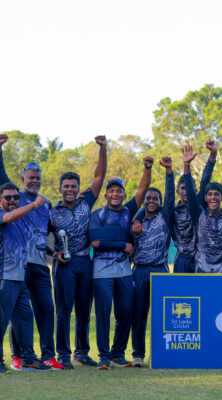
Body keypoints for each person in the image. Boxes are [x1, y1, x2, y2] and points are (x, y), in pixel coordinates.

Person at [0, 134, 62, 370]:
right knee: (14, 314)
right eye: (31, 177)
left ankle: (47, 355)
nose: (34, 181)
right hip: (16, 266)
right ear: (22, 179)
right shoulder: (16, 198)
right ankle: (17, 356)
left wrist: (54, 252)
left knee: (45, 309)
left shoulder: (46, 203)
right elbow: (1, 176)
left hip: (39, 264)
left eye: (38, 178)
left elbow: (44, 233)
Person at [48, 135, 107, 369]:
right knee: (64, 310)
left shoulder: (85, 203)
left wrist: (103, 148)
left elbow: (99, 177)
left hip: (85, 262)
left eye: (74, 186)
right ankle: (63, 354)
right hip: (64, 265)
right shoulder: (52, 212)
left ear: (78, 188)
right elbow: (40, 239)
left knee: (84, 310)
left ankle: (81, 352)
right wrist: (54, 254)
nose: (70, 190)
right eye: (66, 186)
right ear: (61, 189)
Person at [88, 157, 152, 370]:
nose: (115, 194)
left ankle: (117, 353)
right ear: (105, 195)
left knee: (126, 311)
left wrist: (147, 168)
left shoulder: (128, 211)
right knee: (103, 314)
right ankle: (103, 356)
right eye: (111, 191)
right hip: (102, 272)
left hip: (124, 271)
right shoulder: (97, 215)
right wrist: (123, 245)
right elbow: (96, 243)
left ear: (124, 195)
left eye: (119, 191)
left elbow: (143, 189)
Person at [0, 182, 52, 373]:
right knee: (1, 321)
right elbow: (10, 216)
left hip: (19, 277)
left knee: (25, 318)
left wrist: (53, 252)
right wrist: (34, 204)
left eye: (16, 197)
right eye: (8, 197)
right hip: (4, 277)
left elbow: (35, 238)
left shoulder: (19, 220)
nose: (12, 200)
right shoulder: (3, 215)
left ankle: (28, 359)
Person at [129, 157, 174, 367]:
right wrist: (136, 219)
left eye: (155, 198)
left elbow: (171, 196)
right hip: (138, 271)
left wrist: (168, 172)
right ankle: (138, 354)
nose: (151, 201)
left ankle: (161, 354)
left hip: (160, 271)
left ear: (160, 201)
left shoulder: (164, 217)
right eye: (148, 198)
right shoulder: (134, 221)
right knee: (138, 315)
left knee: (162, 315)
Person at [180, 144, 222, 279]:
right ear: (205, 198)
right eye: (210, 194)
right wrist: (186, 165)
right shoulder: (199, 214)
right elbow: (192, 191)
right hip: (203, 270)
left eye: (216, 194)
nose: (213, 197)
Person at [171, 140, 217, 273]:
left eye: (189, 188)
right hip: (182, 258)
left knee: (201, 286)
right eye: (183, 188)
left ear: (194, 190)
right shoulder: (172, 211)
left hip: (200, 257)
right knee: (180, 287)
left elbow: (205, 179)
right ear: (177, 191)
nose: (186, 191)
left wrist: (213, 155)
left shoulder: (199, 204)